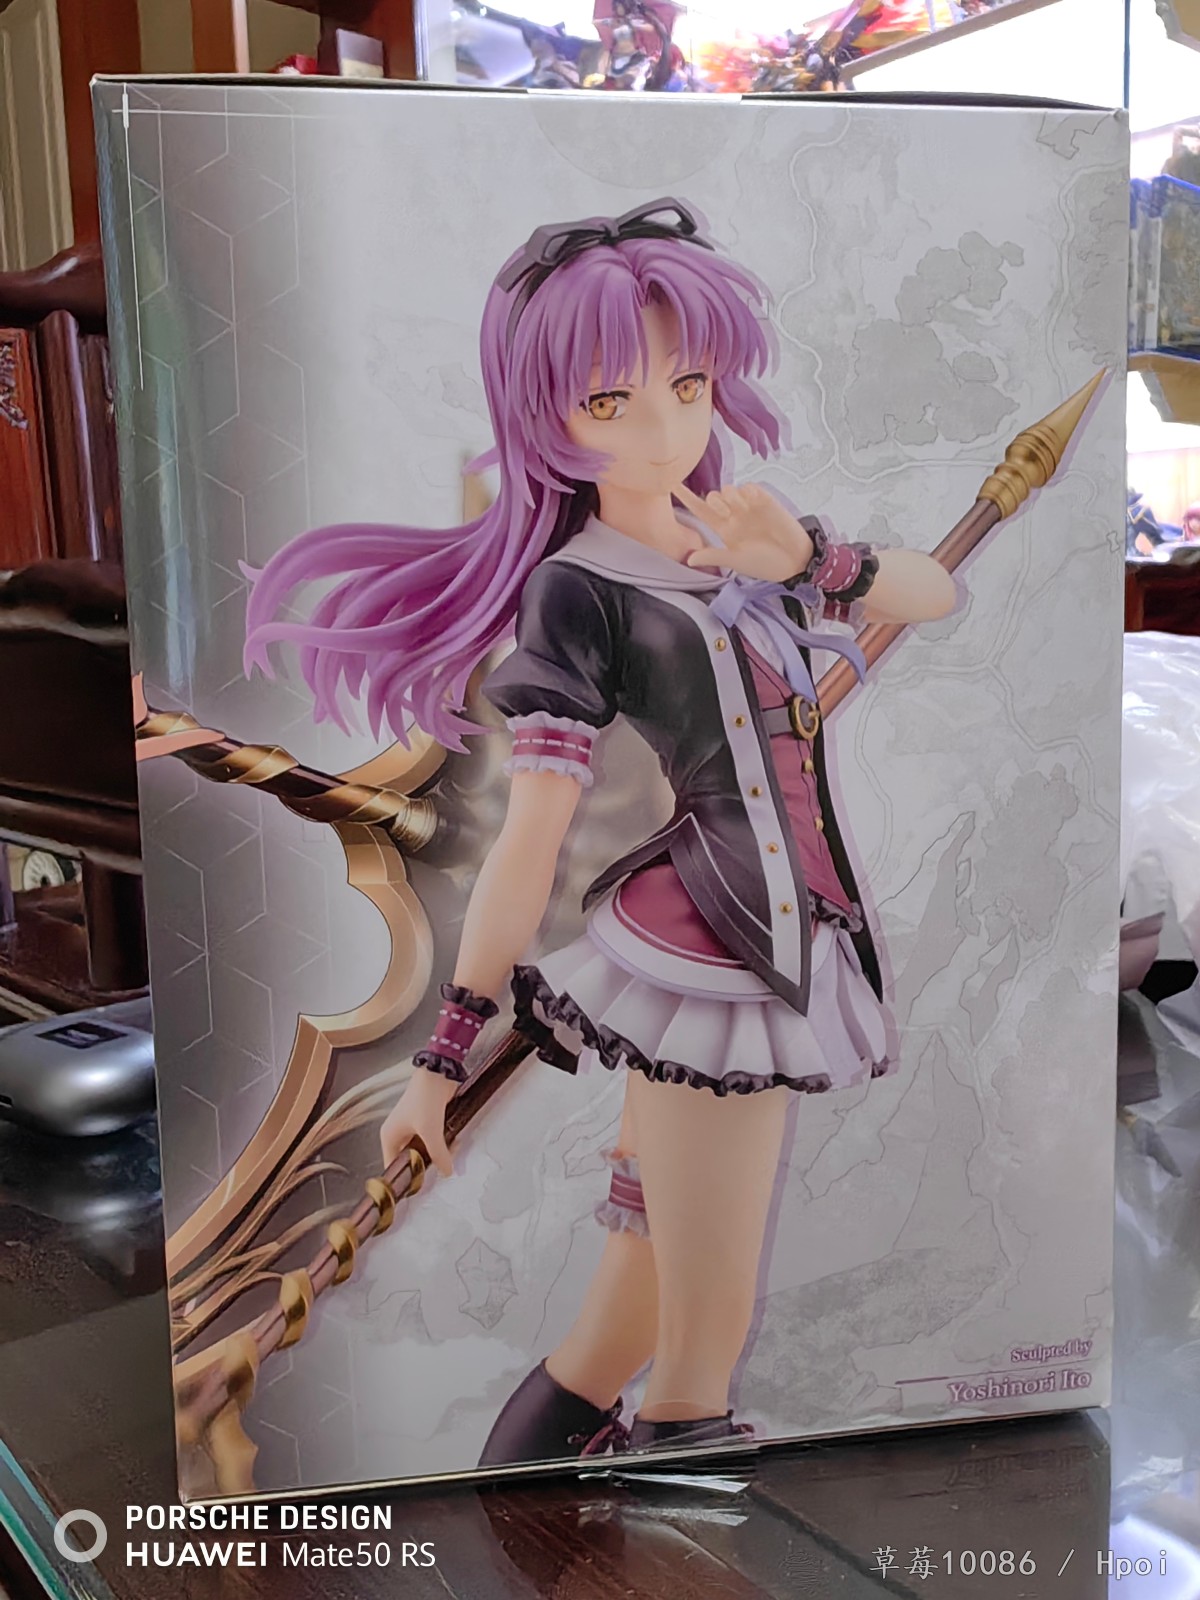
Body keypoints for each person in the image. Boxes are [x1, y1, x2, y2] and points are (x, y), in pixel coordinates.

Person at [240, 198, 956, 1463]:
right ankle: (678, 1497)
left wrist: (807, 555)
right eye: (611, 402)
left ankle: (517, 1484)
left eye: (688, 385)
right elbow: (528, 840)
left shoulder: (741, 532)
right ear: (547, 416)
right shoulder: (576, 589)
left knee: (624, 1310)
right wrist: (444, 1052)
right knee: (701, 1339)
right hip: (711, 959)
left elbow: (932, 589)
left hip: (788, 935)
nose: (666, 428)